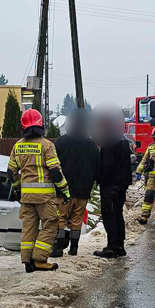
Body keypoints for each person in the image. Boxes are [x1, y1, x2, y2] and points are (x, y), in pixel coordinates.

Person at [7, 109, 70, 272]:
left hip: (27, 197)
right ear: (41, 123)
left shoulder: (18, 146)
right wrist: (65, 190)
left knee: (29, 227)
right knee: (51, 224)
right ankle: (40, 259)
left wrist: (17, 190)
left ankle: (27, 261)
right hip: (44, 197)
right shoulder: (46, 145)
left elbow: (11, 172)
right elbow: (55, 172)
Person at [54, 108, 99, 257]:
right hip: (83, 190)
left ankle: (59, 248)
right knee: (77, 220)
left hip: (63, 190)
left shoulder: (61, 142)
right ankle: (74, 248)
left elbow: (53, 165)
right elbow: (96, 167)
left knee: (61, 218)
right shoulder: (92, 145)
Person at [93, 122, 132, 259]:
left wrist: (98, 177)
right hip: (121, 184)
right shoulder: (123, 140)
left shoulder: (109, 142)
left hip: (110, 185)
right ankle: (119, 245)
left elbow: (107, 166)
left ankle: (112, 247)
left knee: (109, 215)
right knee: (117, 214)